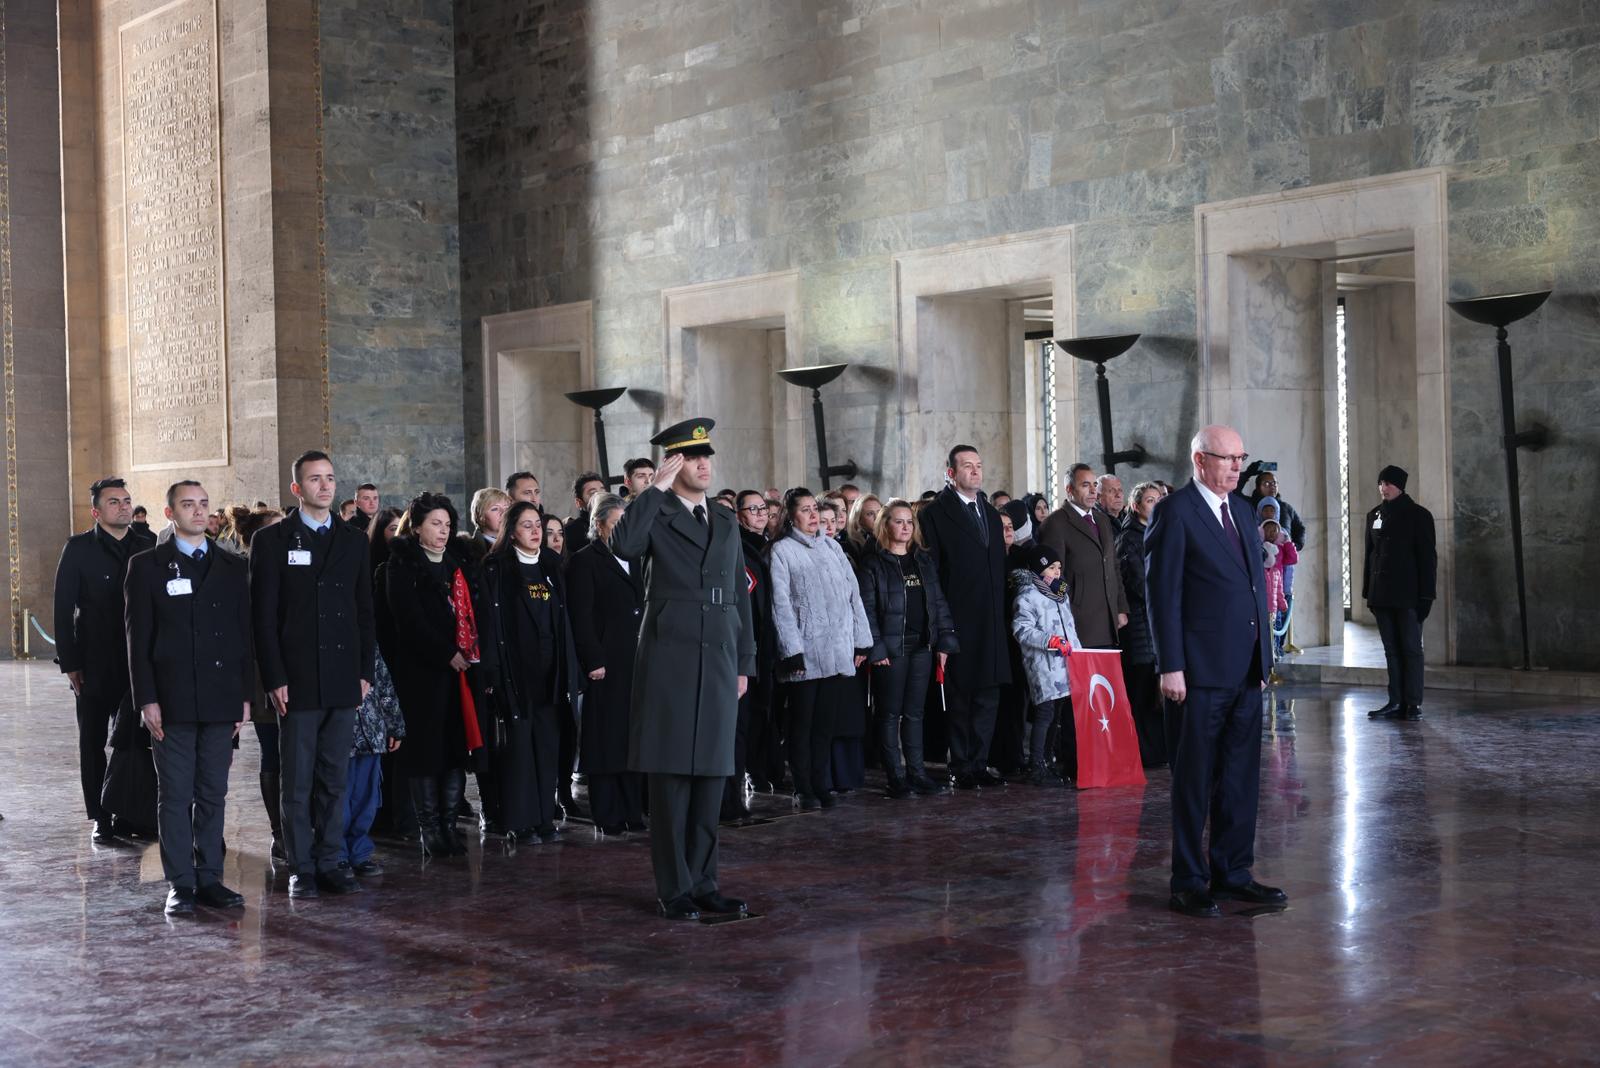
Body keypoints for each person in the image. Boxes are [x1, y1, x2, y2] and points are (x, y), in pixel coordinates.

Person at [607, 418, 756, 921]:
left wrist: (745, 661)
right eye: (692, 457)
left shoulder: (726, 520)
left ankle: (705, 883)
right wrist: (653, 490)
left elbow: (739, 597)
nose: (703, 464)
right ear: (673, 463)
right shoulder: (656, 511)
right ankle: (674, 889)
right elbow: (624, 546)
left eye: (706, 455)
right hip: (670, 658)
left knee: (712, 778)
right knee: (671, 781)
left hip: (719, 658)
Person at [1145, 425, 1284, 917]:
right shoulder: (1174, 512)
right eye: (1227, 459)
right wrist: (1171, 666)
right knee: (1194, 780)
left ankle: (1233, 873)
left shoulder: (1243, 510)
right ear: (1200, 460)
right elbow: (1162, 595)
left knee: (1240, 778)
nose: (1237, 467)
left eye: (1240, 458)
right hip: (1197, 674)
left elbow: (1254, 587)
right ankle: (1188, 880)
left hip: (1245, 671)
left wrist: (1264, 658)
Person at [250, 450, 376, 898]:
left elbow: (364, 612)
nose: (324, 486)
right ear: (297, 488)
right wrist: (273, 677)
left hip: (342, 676)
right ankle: (301, 867)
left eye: (330, 478)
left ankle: (330, 861)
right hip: (296, 677)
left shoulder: (353, 540)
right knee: (297, 780)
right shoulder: (271, 541)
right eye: (314, 479)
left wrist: (364, 671)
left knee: (334, 778)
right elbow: (262, 618)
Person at [124, 480, 252, 916]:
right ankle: (180, 882)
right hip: (171, 697)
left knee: (213, 792)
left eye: (203, 504)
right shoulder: (147, 566)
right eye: (187, 504)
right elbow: (137, 640)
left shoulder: (231, 566)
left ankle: (210, 877)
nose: (198, 512)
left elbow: (243, 636)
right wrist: (146, 698)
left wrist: (244, 696)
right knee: (176, 795)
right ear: (170, 513)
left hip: (220, 697)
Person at [53, 476, 156, 840]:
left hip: (137, 662)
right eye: (114, 502)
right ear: (96, 512)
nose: (124, 506)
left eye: (126, 500)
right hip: (94, 662)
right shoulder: (78, 548)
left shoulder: (148, 544)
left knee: (134, 741)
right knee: (93, 741)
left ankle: (131, 814)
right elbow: (62, 609)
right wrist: (70, 664)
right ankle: (100, 815)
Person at [477, 500, 581, 841]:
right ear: (511, 531)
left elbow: (564, 620)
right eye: (527, 525)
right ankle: (520, 822)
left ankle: (544, 819)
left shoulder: (552, 565)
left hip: (551, 672)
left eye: (538, 525)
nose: (536, 531)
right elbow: (489, 625)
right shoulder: (496, 569)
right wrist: (492, 673)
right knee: (519, 750)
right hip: (515, 673)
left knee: (547, 747)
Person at [384, 494, 481, 856]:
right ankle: (429, 830)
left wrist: (467, 651)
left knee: (455, 748)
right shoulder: (401, 565)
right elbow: (409, 620)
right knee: (425, 752)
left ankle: (449, 825)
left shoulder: (457, 562)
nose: (443, 531)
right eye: (435, 524)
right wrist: (446, 653)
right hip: (421, 673)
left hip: (461, 672)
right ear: (416, 527)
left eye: (447, 524)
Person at [769, 488, 872, 810]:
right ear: (791, 516)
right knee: (803, 725)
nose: (813, 515)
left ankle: (820, 782)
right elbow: (780, 605)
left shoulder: (832, 547)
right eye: (805, 510)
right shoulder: (782, 551)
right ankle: (803, 787)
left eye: (815, 508)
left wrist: (861, 639)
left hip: (837, 649)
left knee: (826, 725)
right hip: (805, 651)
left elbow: (853, 595)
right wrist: (791, 649)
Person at [917, 445, 1010, 789]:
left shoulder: (989, 513)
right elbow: (933, 573)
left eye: (979, 465)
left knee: (988, 695)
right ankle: (960, 764)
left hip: (991, 620)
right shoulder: (935, 514)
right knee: (960, 696)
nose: (975, 471)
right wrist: (942, 627)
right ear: (951, 473)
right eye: (967, 466)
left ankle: (979, 763)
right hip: (957, 619)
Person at [857, 498, 958, 798]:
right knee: (889, 714)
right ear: (885, 525)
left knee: (915, 713)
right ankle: (896, 777)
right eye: (898, 521)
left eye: (909, 522)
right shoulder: (873, 564)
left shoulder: (922, 561)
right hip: (891, 650)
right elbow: (866, 610)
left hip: (921, 647)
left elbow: (938, 603)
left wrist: (944, 640)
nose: (905, 527)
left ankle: (917, 773)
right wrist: (876, 648)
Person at [564, 494, 646, 835]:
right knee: (605, 739)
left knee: (632, 738)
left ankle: (633, 810)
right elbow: (581, 616)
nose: (623, 531)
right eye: (616, 524)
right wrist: (593, 659)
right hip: (605, 664)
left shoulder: (637, 557)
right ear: (599, 526)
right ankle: (608, 813)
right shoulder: (584, 561)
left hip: (636, 662)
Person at [229, 506, 289, 859]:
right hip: (259, 672)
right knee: (272, 751)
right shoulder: (242, 572)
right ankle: (279, 832)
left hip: (295, 672)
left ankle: (299, 827)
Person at [1364, 465, 1436, 722]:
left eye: (1389, 483)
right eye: (1381, 483)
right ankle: (1395, 701)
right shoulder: (1374, 515)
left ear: (1400, 486)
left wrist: (1426, 596)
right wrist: (1368, 592)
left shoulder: (1419, 515)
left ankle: (1413, 703)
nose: (1383, 488)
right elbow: (1370, 555)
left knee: (1411, 649)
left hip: (1408, 596)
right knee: (1391, 650)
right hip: (1381, 595)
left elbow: (1427, 559)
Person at [1009, 544, 1080, 786]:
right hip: (1044, 665)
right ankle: (1036, 764)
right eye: (1051, 568)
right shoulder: (1028, 596)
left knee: (1056, 714)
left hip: (1065, 666)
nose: (1057, 572)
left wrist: (1078, 653)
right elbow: (1022, 629)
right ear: (1039, 570)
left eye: (1058, 567)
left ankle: (1048, 761)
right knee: (1045, 713)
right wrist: (1049, 640)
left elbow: (1069, 629)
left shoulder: (1061, 594)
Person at [1038, 463, 1129, 649]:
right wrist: (1071, 607)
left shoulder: (1102, 520)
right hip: (1078, 623)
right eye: (1085, 485)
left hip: (1108, 619)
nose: (1093, 491)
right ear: (1069, 489)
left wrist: (1120, 607)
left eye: (1095, 485)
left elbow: (1113, 566)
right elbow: (1051, 577)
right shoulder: (1055, 523)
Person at [732, 490, 783, 802]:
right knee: (746, 715)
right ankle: (744, 775)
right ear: (739, 515)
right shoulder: (738, 547)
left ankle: (764, 769)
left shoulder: (770, 545)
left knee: (767, 712)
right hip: (747, 640)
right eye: (753, 509)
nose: (761, 513)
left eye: (763, 508)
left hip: (768, 640)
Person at [1117, 481, 1167, 767]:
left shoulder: (1160, 533)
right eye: (1150, 500)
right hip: (1141, 625)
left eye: (1159, 499)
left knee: (1158, 692)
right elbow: (1137, 582)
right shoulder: (1129, 538)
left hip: (1160, 622)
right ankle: (1143, 753)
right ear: (1136, 506)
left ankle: (1159, 750)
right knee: (1143, 689)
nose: (1156, 504)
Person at [459, 487, 510, 564]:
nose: (504, 513)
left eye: (507, 508)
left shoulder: (518, 543)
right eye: (495, 509)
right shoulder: (467, 550)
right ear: (481, 517)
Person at [565, 472, 605, 555]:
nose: (601, 496)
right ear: (579, 502)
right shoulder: (570, 531)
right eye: (593, 493)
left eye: (602, 490)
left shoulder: (618, 522)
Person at [843, 493, 882, 564]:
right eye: (870, 514)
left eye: (879, 512)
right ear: (859, 519)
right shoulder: (850, 545)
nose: (877, 518)